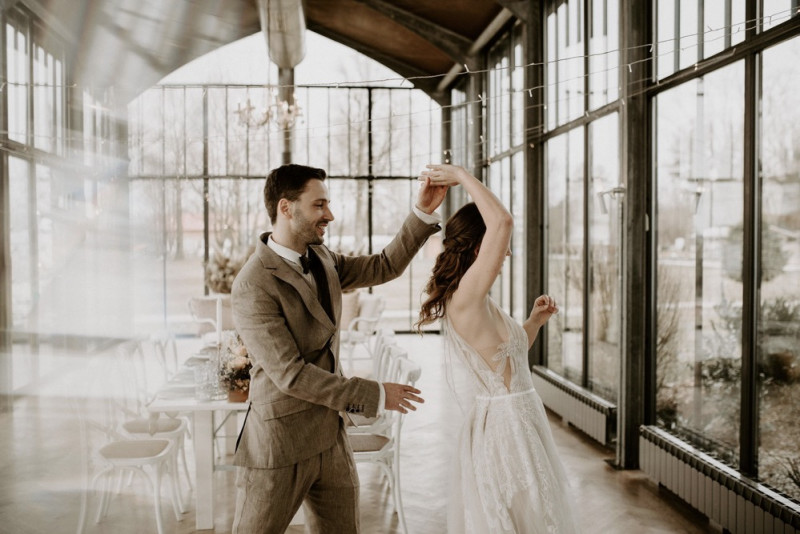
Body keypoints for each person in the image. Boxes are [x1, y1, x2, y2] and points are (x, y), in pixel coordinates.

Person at [230, 163, 447, 534]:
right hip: (279, 444)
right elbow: (291, 374)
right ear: (286, 208)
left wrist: (421, 212)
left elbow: (384, 266)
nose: (329, 215)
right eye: (319, 205)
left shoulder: (324, 259)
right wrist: (375, 394)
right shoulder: (252, 284)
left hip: (331, 436)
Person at [416, 164, 580, 533]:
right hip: (507, 429)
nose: (505, 254)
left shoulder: (479, 299)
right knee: (522, 513)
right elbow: (502, 222)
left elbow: (505, 358)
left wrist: (533, 322)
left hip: (521, 418)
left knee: (532, 514)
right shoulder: (467, 297)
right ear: (479, 247)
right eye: (499, 249)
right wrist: (460, 175)